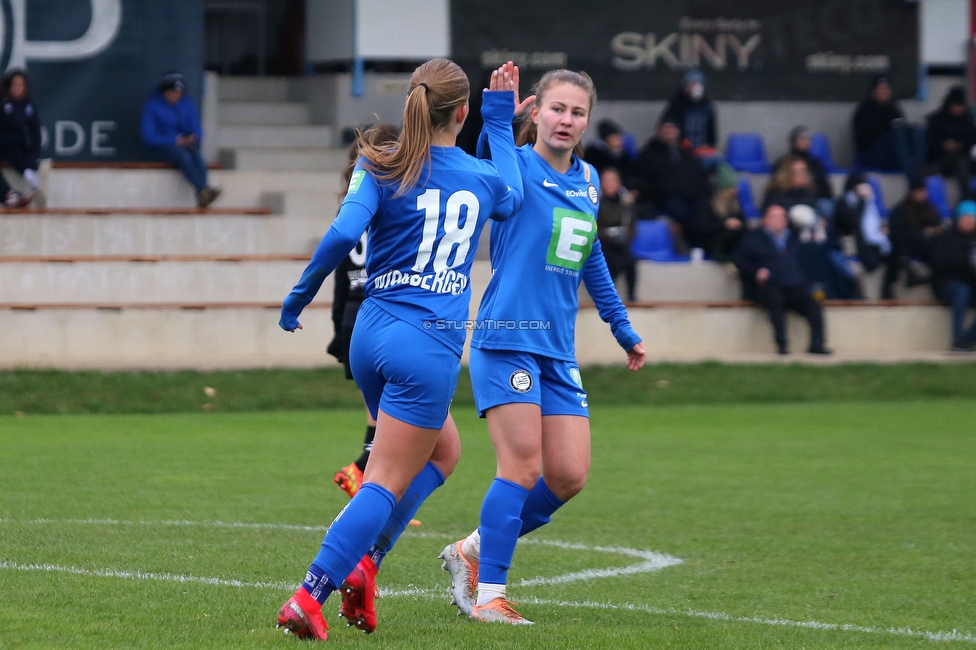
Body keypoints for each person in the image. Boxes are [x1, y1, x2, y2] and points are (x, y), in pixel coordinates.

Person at [274, 59, 525, 640]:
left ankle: (366, 564)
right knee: (384, 478)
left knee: (443, 452)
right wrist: (500, 119)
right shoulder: (482, 176)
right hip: (427, 344)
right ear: (462, 113)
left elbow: (341, 234)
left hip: (371, 333)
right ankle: (310, 595)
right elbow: (511, 197)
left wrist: (297, 298)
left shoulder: (377, 161)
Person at [439, 69, 646, 625]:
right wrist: (496, 111)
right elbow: (489, 153)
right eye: (557, 108)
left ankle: (471, 550)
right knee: (522, 466)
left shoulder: (588, 180)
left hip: (557, 349)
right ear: (538, 113)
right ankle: (488, 599)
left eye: (577, 112)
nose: (566, 120)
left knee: (568, 476)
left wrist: (621, 326)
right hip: (506, 338)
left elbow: (590, 256)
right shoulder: (515, 167)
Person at [326, 125, 417, 529]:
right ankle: (367, 482)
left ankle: (371, 487)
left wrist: (336, 329)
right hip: (379, 314)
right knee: (386, 418)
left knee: (378, 417)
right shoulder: (394, 206)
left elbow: (341, 279)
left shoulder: (352, 207)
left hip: (353, 317)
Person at [733, 203, 830, 355]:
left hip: (794, 286)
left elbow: (808, 262)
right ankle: (782, 345)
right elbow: (740, 262)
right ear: (765, 220)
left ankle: (817, 345)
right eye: (774, 216)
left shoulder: (795, 239)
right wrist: (756, 272)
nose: (778, 220)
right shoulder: (752, 239)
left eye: (782, 216)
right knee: (775, 301)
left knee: (813, 304)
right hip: (767, 286)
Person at [141, 72, 221, 208]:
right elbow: (148, 136)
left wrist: (192, 137)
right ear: (164, 92)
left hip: (185, 145)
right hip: (161, 148)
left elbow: (197, 129)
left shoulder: (187, 104)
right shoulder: (152, 106)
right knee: (184, 156)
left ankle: (203, 191)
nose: (176, 95)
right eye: (172, 92)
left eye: (178, 92)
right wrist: (173, 139)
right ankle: (203, 190)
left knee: (196, 154)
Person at [636, 117, 708, 225]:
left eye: (672, 128)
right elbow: (644, 181)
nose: (669, 132)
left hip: (692, 198)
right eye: (665, 129)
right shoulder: (649, 154)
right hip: (665, 199)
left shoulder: (687, 152)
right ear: (659, 132)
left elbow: (698, 174)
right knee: (687, 215)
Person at [834, 172, 895, 298]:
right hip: (852, 242)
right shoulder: (843, 203)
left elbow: (875, 221)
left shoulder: (869, 203)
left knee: (895, 251)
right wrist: (862, 201)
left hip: (871, 241)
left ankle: (887, 292)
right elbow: (853, 222)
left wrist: (883, 228)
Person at [853, 75, 924, 175]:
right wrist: (888, 131)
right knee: (897, 135)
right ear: (873, 91)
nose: (884, 92)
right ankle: (912, 174)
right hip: (872, 154)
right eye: (881, 88)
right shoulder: (864, 111)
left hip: (894, 153)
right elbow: (862, 143)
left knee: (917, 131)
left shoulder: (894, 109)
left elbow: (902, 127)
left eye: (886, 88)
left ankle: (920, 169)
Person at [928, 200, 976, 351]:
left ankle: (967, 339)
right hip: (946, 284)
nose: (969, 222)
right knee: (962, 291)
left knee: (965, 290)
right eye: (965, 218)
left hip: (970, 283)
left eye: (972, 218)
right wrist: (966, 260)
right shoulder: (946, 237)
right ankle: (957, 337)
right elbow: (940, 263)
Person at [887, 173, 945, 290]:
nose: (922, 195)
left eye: (924, 191)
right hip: (908, 244)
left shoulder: (930, 209)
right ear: (912, 192)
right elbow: (897, 231)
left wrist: (934, 231)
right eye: (919, 191)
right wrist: (922, 233)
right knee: (899, 243)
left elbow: (937, 226)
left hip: (928, 246)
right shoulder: (901, 210)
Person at [684, 162, 745, 262]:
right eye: (732, 188)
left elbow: (743, 222)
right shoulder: (706, 203)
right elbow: (700, 226)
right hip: (711, 241)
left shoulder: (734, 204)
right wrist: (723, 224)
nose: (735, 191)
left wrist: (739, 224)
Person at [0, 69, 41, 207]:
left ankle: (30, 176)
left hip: (16, 147)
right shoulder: (2, 102)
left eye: (21, 85)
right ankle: (8, 195)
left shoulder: (28, 105)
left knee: (19, 154)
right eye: (15, 85)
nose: (18, 88)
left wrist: (34, 158)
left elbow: (35, 132)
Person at [925, 85, 976, 196]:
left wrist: (960, 146)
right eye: (955, 105)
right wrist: (944, 146)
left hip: (965, 159)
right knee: (960, 162)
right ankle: (968, 196)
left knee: (963, 162)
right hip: (942, 160)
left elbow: (971, 141)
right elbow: (929, 144)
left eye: (960, 105)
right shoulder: (936, 121)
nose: (958, 109)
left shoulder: (967, 122)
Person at [596, 167, 637, 301]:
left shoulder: (626, 205)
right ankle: (607, 298)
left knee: (630, 261)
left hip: (622, 245)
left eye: (612, 180)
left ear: (619, 183)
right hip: (603, 246)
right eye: (605, 181)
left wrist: (625, 236)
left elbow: (633, 227)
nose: (608, 184)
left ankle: (631, 297)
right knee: (610, 262)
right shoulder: (596, 204)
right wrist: (609, 236)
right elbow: (592, 228)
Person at [662, 69, 718, 164]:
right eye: (692, 84)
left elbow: (712, 130)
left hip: (702, 150)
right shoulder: (676, 104)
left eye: (699, 84)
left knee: (718, 162)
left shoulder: (707, 107)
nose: (696, 87)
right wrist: (680, 142)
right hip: (681, 150)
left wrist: (708, 145)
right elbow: (667, 126)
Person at [775, 126, 832, 200]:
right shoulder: (783, 163)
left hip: (813, 200)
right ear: (794, 141)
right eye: (802, 139)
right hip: (786, 200)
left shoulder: (816, 163)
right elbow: (776, 189)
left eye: (808, 139)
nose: (806, 142)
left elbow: (825, 189)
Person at [583, 119, 637, 189]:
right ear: (607, 139)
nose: (619, 141)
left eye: (620, 137)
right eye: (615, 138)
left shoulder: (624, 154)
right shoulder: (594, 154)